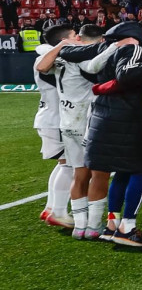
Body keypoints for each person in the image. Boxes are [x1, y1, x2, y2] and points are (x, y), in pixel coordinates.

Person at [86, 21, 142, 246]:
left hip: (104, 117)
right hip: (126, 120)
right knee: (140, 170)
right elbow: (126, 76)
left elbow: (95, 76)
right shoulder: (135, 48)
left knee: (122, 171)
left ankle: (112, 224)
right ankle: (127, 227)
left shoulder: (109, 49)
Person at [36, 24, 105, 239]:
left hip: (64, 119)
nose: (77, 38)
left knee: (70, 168)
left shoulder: (53, 57)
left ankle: (58, 211)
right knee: (80, 170)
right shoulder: (73, 58)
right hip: (69, 119)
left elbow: (43, 64)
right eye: (74, 36)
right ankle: (72, 217)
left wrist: (63, 46)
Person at [32, 25, 80, 230]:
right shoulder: (49, 59)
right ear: (63, 40)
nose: (78, 38)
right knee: (70, 165)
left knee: (63, 165)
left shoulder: (49, 56)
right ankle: (59, 212)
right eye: (74, 36)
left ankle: (51, 207)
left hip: (49, 118)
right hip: (56, 120)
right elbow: (43, 66)